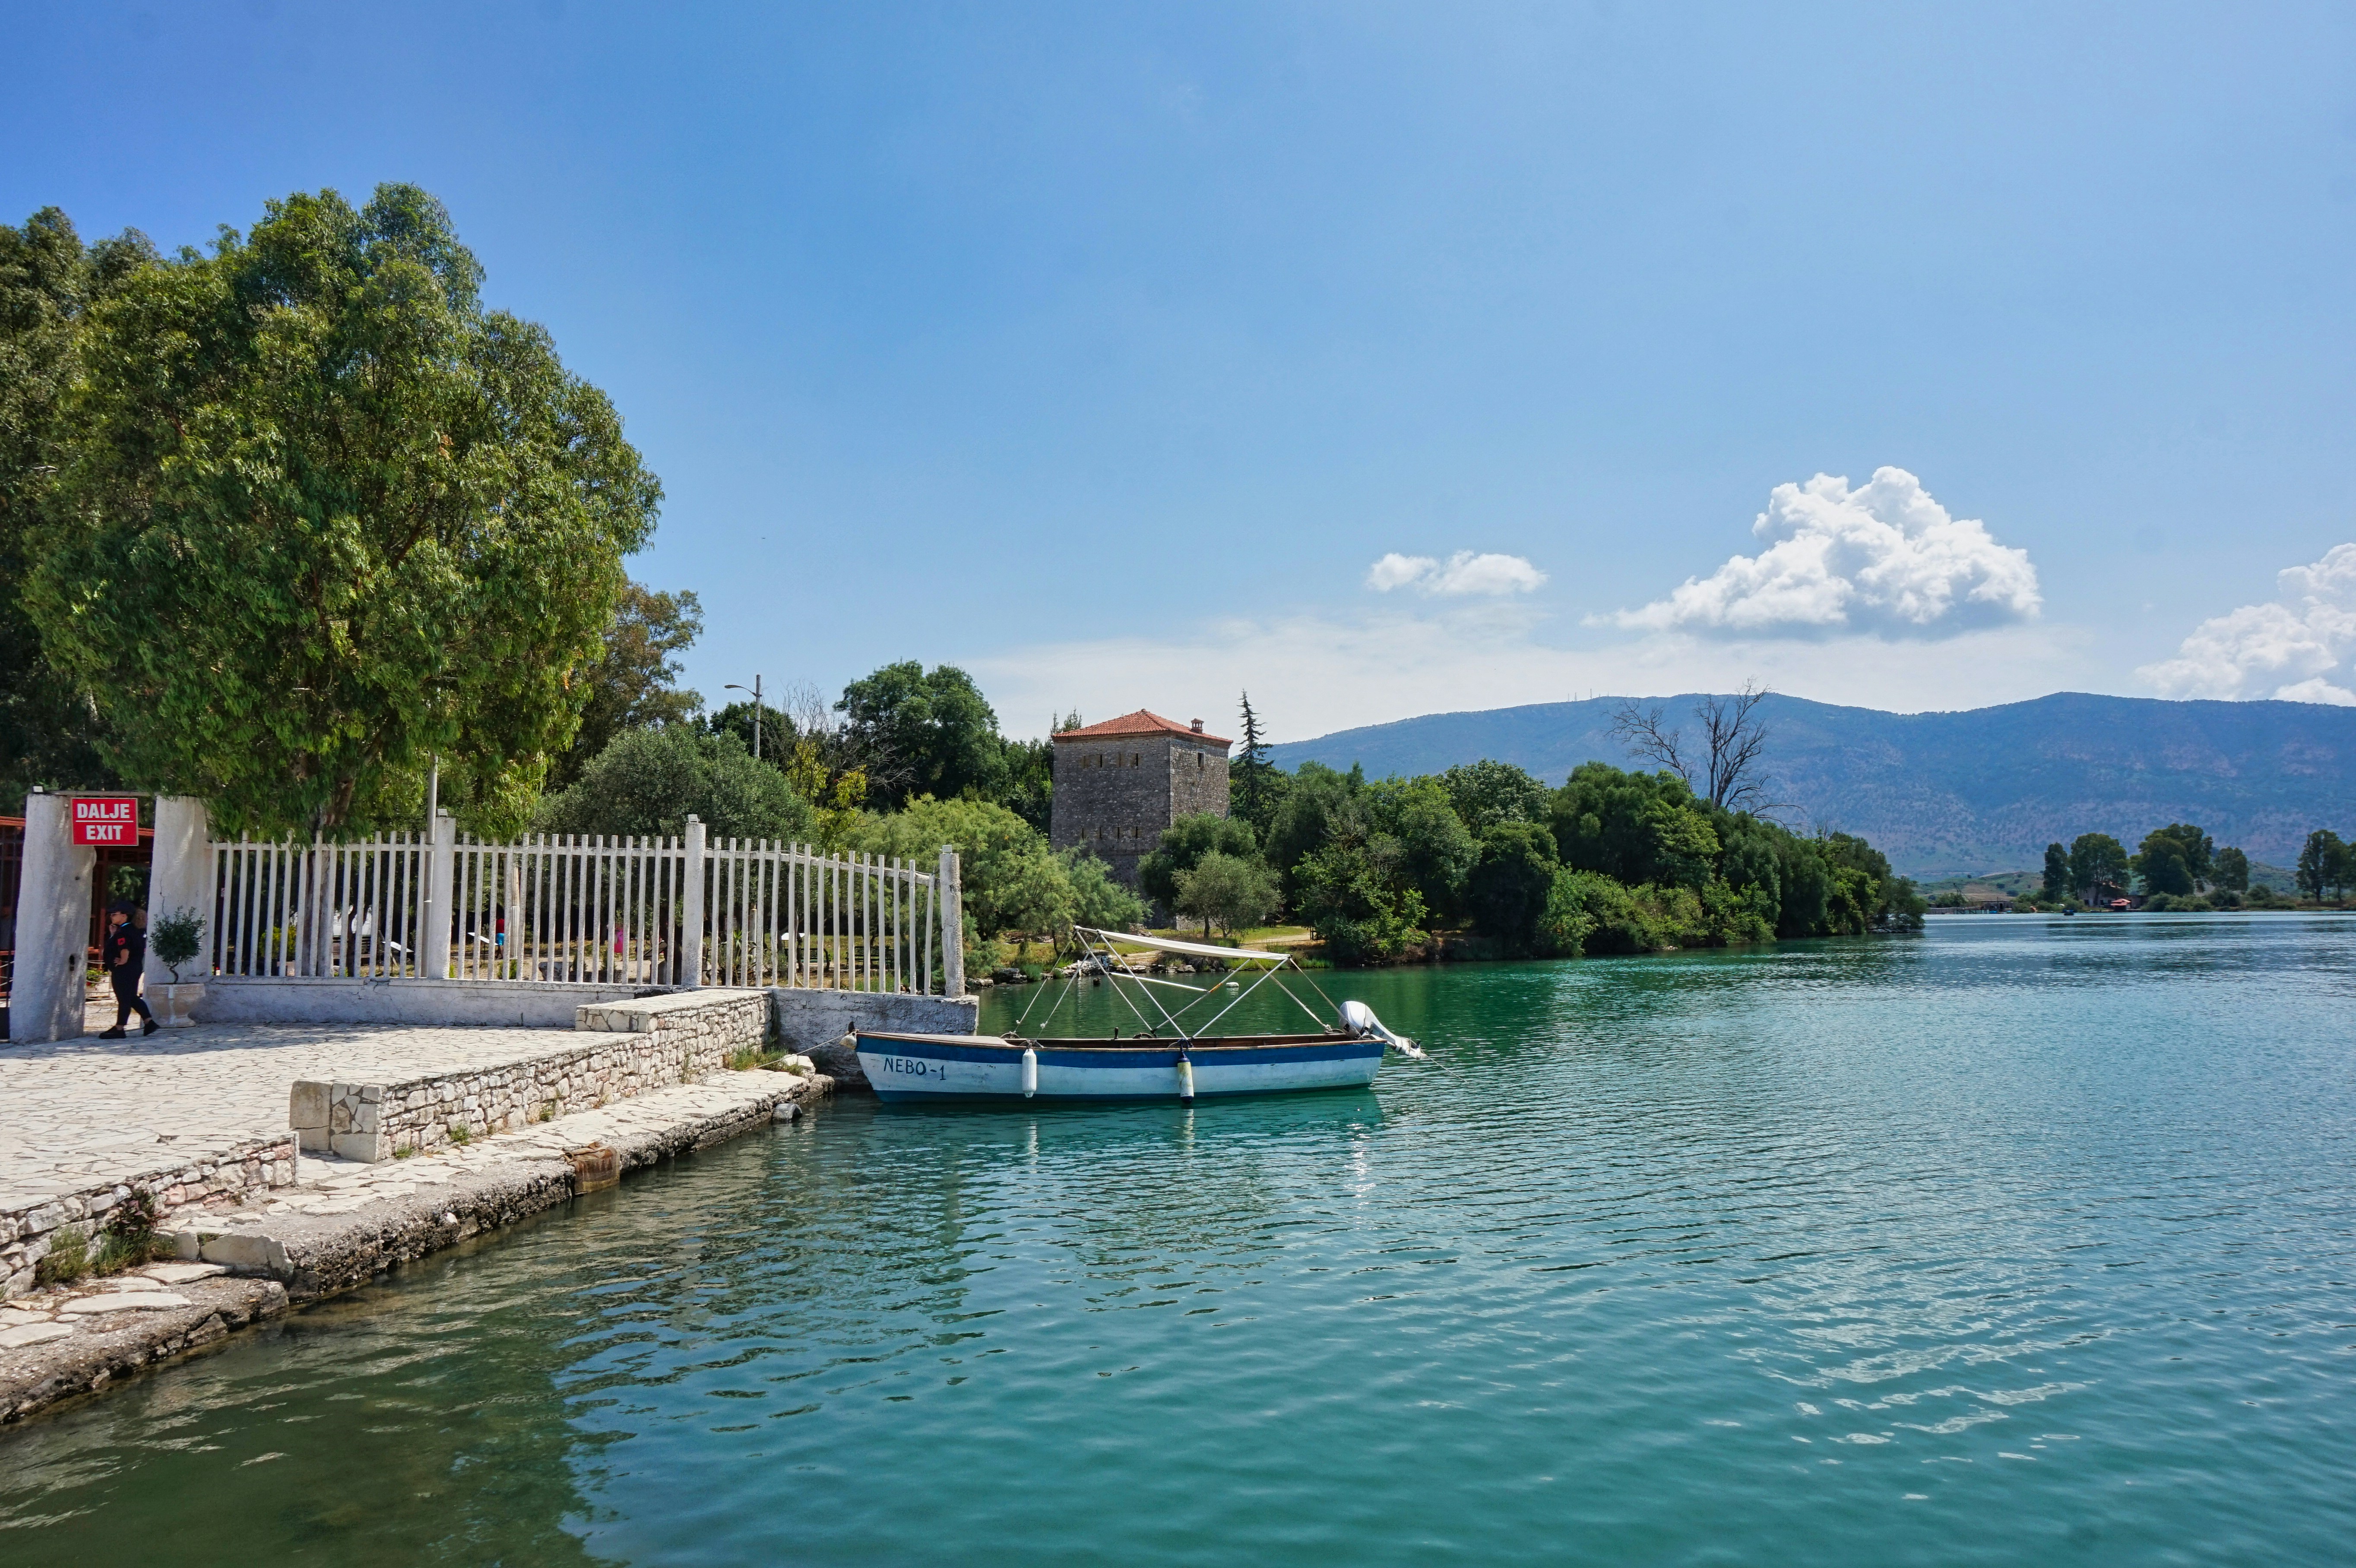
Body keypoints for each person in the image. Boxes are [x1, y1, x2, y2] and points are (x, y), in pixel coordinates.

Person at [99, 902, 158, 1038]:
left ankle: (119, 1029)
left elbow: (125, 948)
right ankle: (149, 1022)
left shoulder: (124, 931)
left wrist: (123, 960)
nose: (112, 917)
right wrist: (114, 934)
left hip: (125, 969)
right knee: (131, 997)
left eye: (115, 914)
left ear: (124, 916)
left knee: (124, 998)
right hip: (135, 967)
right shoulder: (135, 929)